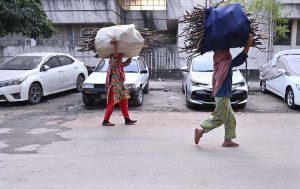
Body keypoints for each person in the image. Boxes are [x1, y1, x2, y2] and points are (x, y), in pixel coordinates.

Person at [194, 35, 254, 147]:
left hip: (222, 95)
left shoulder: (219, 63)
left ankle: (227, 140)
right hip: (222, 95)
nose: (228, 53)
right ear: (223, 54)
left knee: (230, 118)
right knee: (220, 118)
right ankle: (201, 130)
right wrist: (247, 45)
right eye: (226, 51)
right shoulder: (225, 64)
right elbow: (240, 59)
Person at [102, 40, 137, 126]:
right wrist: (115, 45)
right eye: (120, 57)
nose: (121, 58)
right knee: (111, 104)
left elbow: (126, 63)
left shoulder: (119, 64)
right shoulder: (113, 63)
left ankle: (127, 119)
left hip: (120, 86)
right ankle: (105, 121)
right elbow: (115, 54)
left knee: (124, 101)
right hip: (114, 87)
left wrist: (131, 55)